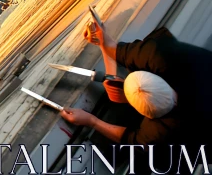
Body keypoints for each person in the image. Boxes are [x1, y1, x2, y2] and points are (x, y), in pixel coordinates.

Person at [60, 20, 212, 161]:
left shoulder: (158, 135)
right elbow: (117, 50)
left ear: (150, 118)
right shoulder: (159, 56)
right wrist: (104, 42)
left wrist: (91, 121)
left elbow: (129, 138)